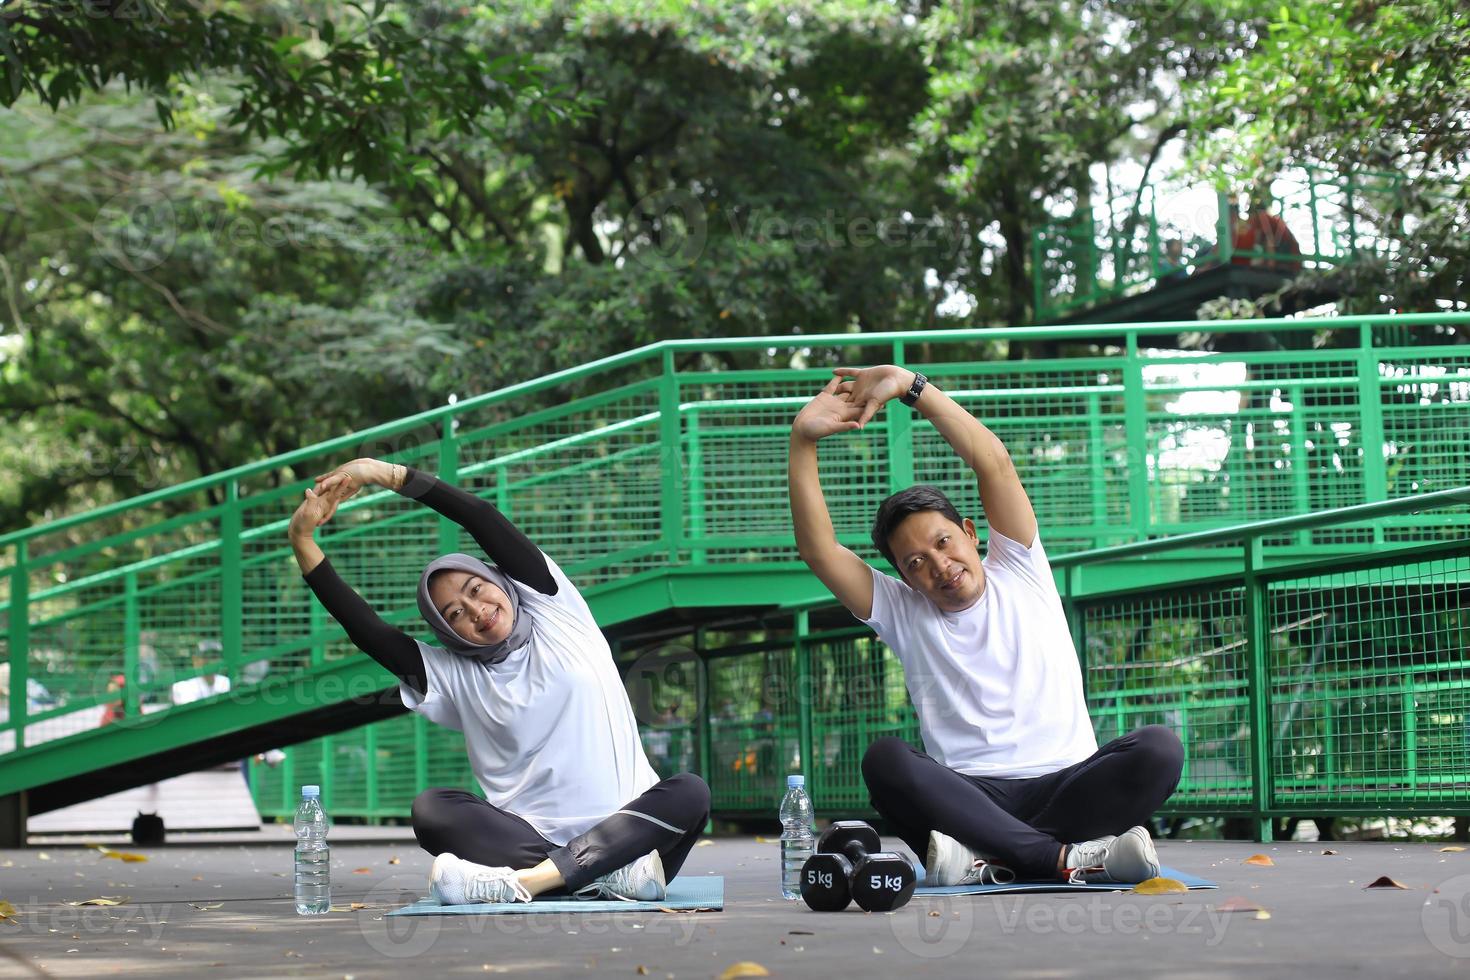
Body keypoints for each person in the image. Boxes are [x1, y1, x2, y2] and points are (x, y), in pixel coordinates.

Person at [787, 369, 1183, 886]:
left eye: (943, 542)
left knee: (1159, 749)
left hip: (1067, 786)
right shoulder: (905, 611)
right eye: (915, 562)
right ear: (903, 576)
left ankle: (991, 858)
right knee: (886, 761)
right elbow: (819, 551)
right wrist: (802, 440)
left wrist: (914, 388)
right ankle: (1058, 858)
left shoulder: (1019, 565)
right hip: (969, 797)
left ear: (970, 533)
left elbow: (992, 460)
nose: (938, 565)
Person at [289, 457, 709, 905]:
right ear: (447, 631)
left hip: (631, 828)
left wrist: (387, 475)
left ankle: (528, 883)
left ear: (498, 581)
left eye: (475, 589)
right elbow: (367, 629)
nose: (475, 610)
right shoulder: (451, 675)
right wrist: (301, 538)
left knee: (690, 792)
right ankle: (598, 876)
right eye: (454, 614)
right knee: (432, 810)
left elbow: (482, 518)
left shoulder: (555, 609)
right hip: (535, 840)